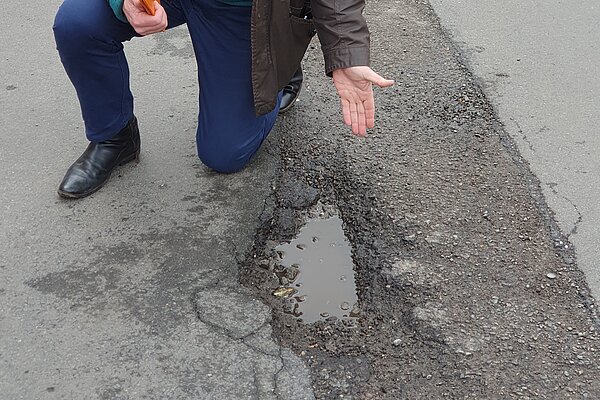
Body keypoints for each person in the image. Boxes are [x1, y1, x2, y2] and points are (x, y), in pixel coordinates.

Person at [52, 0, 394, 199]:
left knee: (224, 154)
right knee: (78, 24)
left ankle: (278, 63)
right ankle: (115, 137)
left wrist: (346, 54)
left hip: (246, 11)